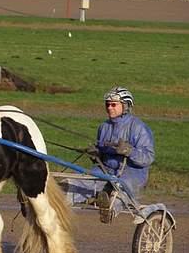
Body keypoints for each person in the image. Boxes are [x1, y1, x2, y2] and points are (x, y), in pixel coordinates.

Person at [63, 86, 155, 223]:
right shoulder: (104, 127)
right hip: (106, 169)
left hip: (133, 172)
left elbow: (148, 157)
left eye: (113, 104)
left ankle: (109, 207)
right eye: (107, 104)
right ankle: (62, 197)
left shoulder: (138, 127)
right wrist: (96, 153)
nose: (109, 108)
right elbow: (101, 153)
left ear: (125, 106)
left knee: (121, 188)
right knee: (83, 180)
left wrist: (129, 151)